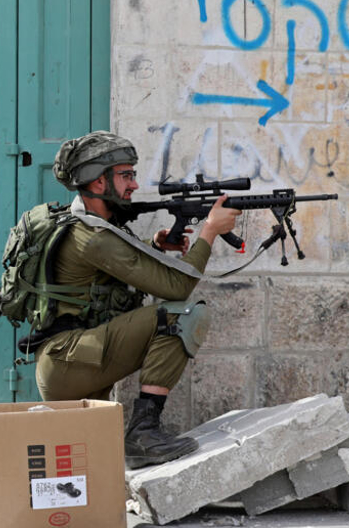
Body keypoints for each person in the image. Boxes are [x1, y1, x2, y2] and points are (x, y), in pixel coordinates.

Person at [29, 130, 239, 469]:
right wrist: (209, 232)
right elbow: (177, 289)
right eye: (126, 175)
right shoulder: (93, 237)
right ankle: (143, 433)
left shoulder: (93, 226)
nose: (134, 185)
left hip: (72, 358)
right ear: (98, 183)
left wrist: (155, 247)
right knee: (182, 314)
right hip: (71, 362)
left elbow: (105, 277)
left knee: (77, 464)